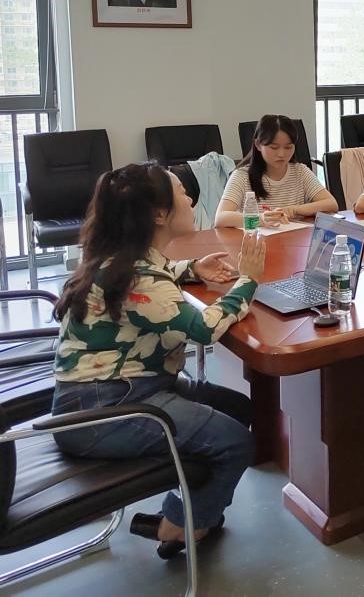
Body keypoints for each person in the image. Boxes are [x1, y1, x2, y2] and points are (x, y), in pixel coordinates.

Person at [51, 163, 266, 558]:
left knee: (238, 408)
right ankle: (182, 524)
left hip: (112, 391)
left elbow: (151, 284)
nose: (190, 198)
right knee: (236, 442)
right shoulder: (139, 277)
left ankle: (192, 507)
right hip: (104, 410)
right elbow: (203, 329)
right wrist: (248, 280)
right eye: (181, 192)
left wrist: (191, 268)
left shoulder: (123, 259)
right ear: (158, 214)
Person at [215, 115, 337, 228]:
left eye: (288, 147)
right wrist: (261, 219)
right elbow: (220, 219)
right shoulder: (242, 176)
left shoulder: (300, 172)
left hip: (294, 240)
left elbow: (331, 204)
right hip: (257, 242)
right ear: (258, 145)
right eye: (274, 147)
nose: (281, 154)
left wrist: (294, 210)